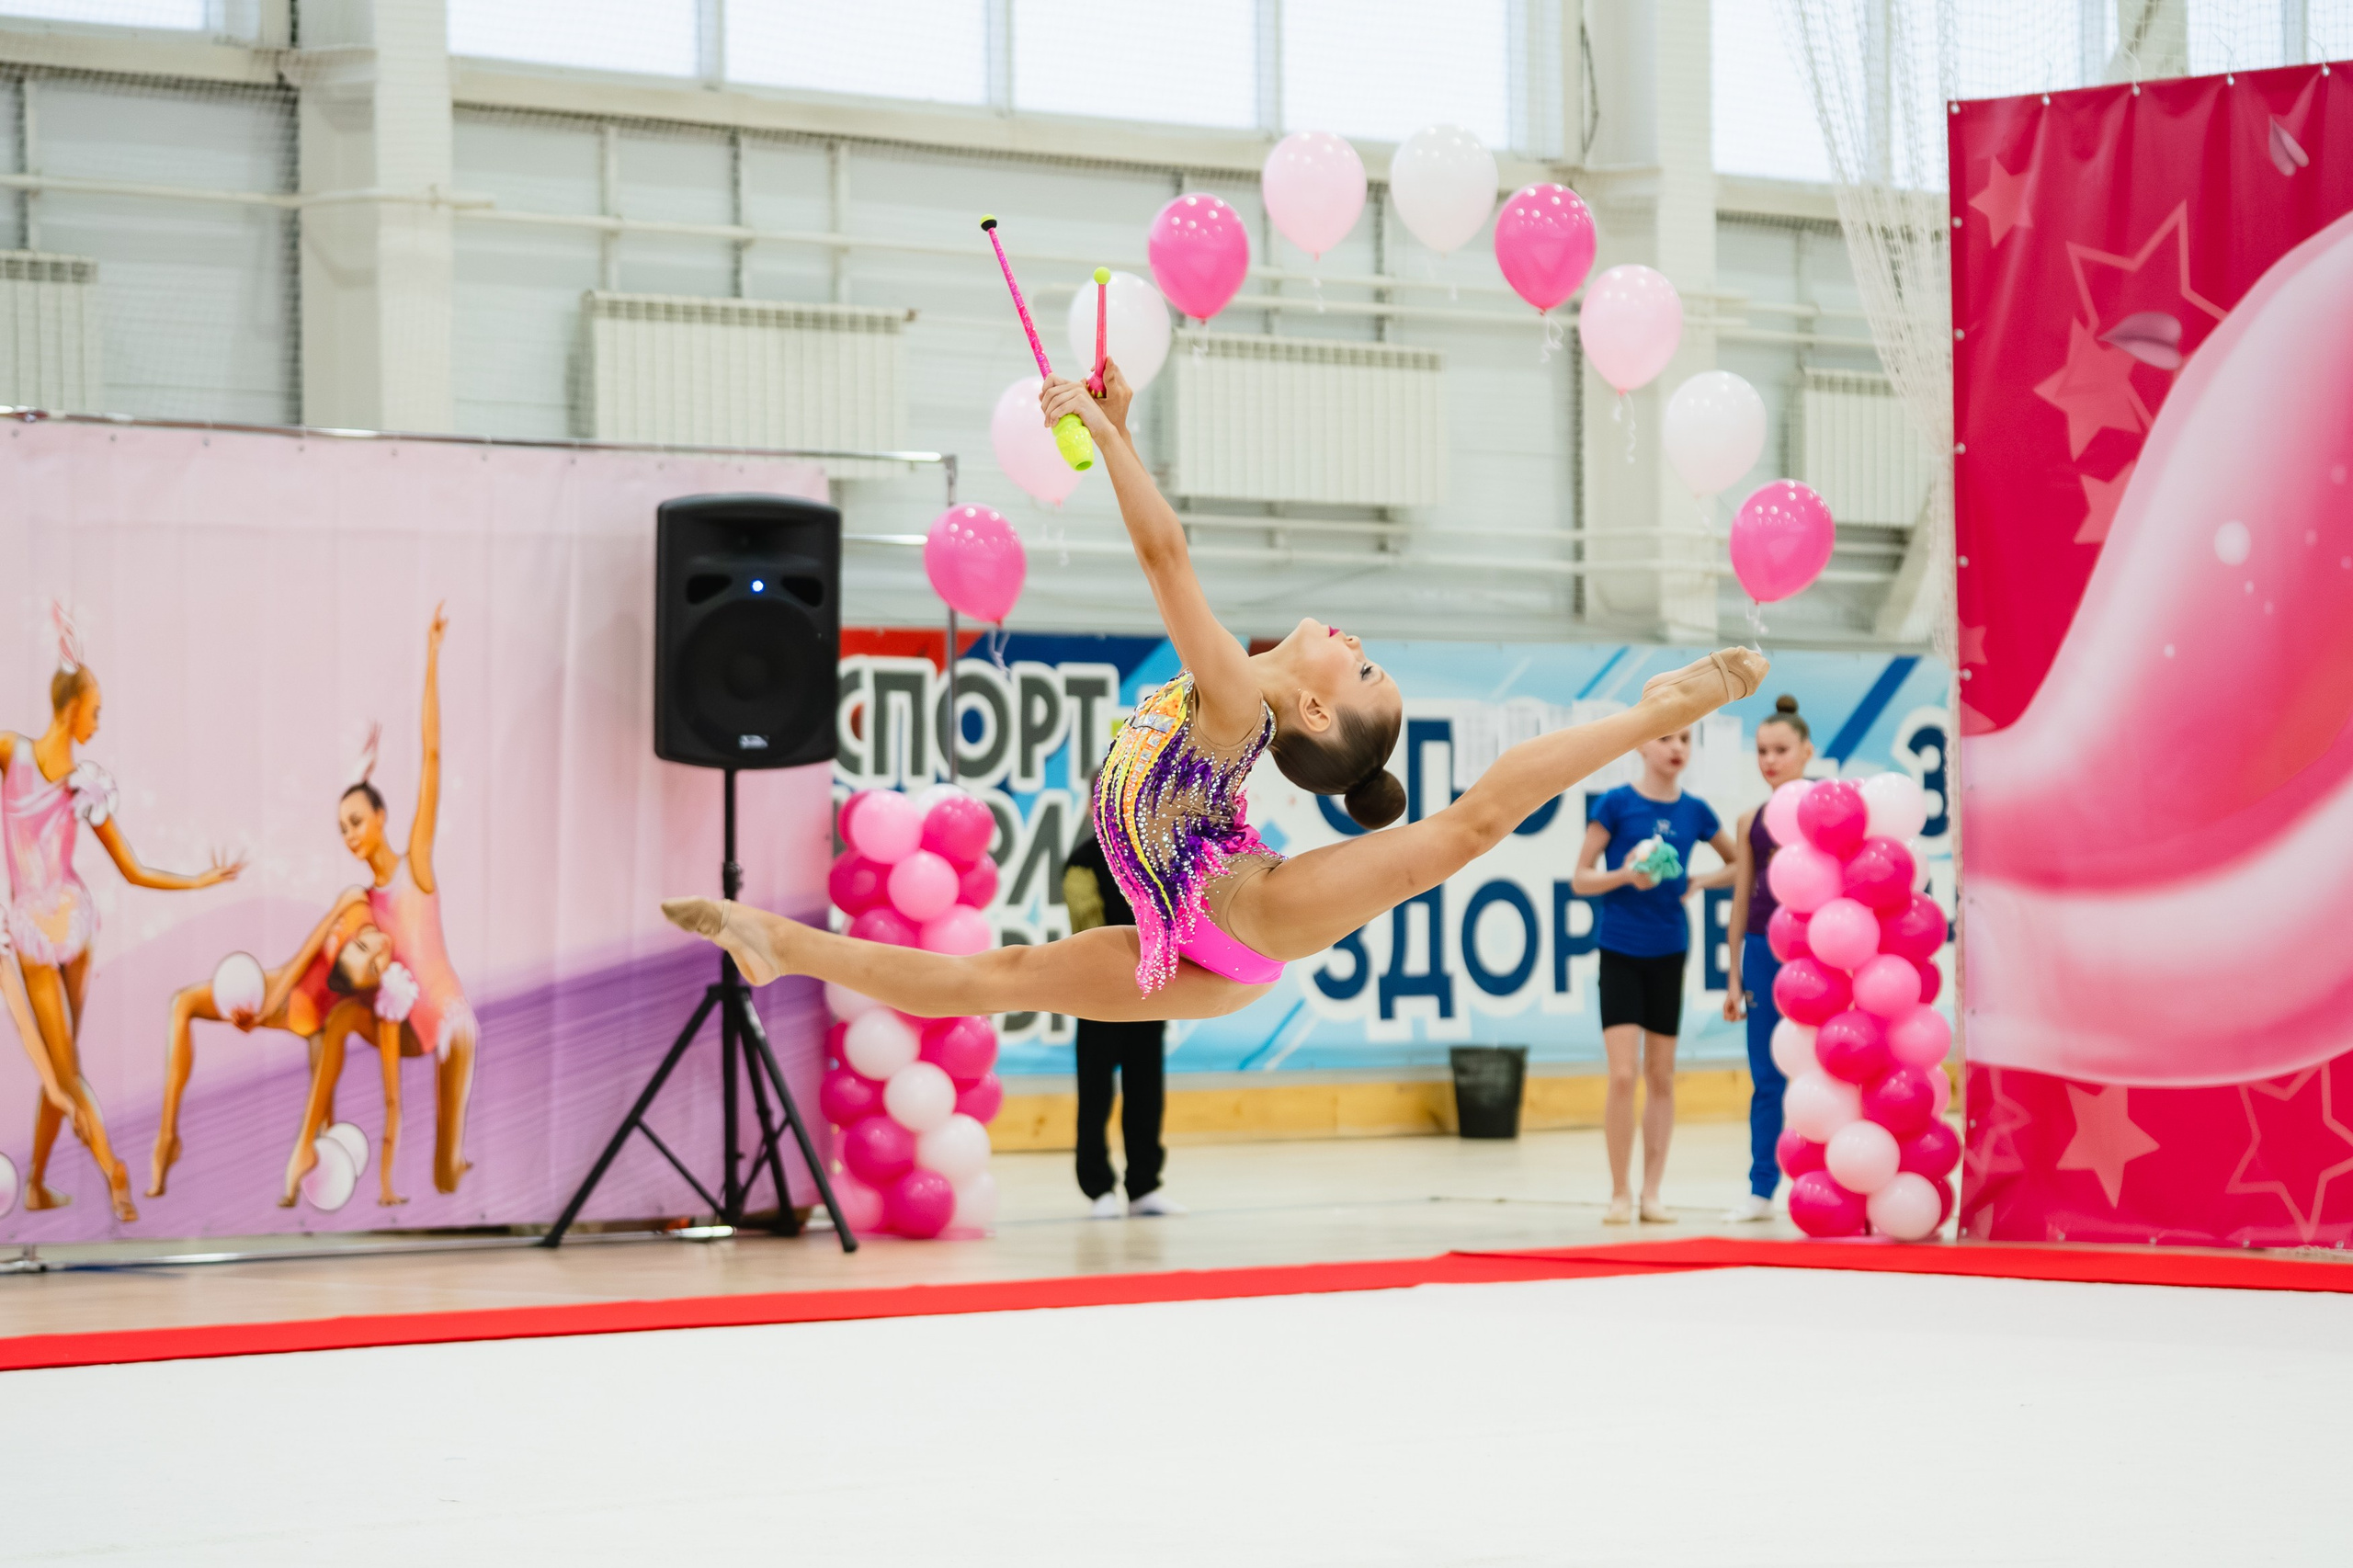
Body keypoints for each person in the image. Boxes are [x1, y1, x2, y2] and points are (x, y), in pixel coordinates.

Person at [663, 362, 1770, 1025]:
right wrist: (1118, 432)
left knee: (1462, 831)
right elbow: (1166, 548)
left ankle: (1654, 708)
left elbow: (1166, 558)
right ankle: (774, 940)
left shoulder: (1236, 701)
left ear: (1318, 713)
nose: (1355, 641)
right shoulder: (1237, 704)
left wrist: (1110, 441)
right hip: (1188, 932)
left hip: (1248, 915)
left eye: (1363, 666)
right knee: (996, 976)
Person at [1, 608, 243, 1221]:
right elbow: (131, 870)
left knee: (64, 1066)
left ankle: (78, 1175)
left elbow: (132, 868)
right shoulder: (20, 755)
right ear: (70, 709)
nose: (99, 720)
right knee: (65, 1064)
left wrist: (198, 879)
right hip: (54, 927)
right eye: (96, 709)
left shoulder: (72, 777)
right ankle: (82, 1175)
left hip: (53, 929)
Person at [149, 888, 417, 1208]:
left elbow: (392, 1098)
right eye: (362, 947)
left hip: (316, 1025)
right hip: (278, 995)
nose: (379, 948)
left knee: (324, 1112)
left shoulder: (391, 983)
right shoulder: (355, 903)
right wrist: (264, 1011)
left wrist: (387, 1186)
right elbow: (304, 956)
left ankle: (312, 1169)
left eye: (374, 965)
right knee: (183, 1003)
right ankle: (167, 1137)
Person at [1572, 724, 1738, 1225]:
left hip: (1669, 949)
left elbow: (1739, 864)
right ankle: (1619, 1192)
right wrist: (1625, 875)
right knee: (1623, 1074)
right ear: (1643, 744)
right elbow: (1581, 878)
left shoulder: (1695, 811)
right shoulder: (1616, 804)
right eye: (1666, 738)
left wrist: (1699, 881)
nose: (1676, 748)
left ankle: (1651, 1193)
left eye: (1685, 739)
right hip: (1620, 949)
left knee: (1661, 1075)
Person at [343, 606, 479, 1194]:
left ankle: (448, 1164)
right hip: (403, 1024)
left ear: (381, 818)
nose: (349, 835)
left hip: (446, 1020)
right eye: (342, 828)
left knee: (445, 1165)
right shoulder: (362, 899)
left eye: (355, 821)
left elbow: (431, 757)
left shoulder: (413, 864)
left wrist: (432, 657)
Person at [1721, 696, 1816, 1222]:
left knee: (1824, 1073)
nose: (1770, 761)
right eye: (1762, 751)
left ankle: (1829, 1180)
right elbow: (1741, 900)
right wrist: (1734, 977)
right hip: (1762, 952)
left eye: (1781, 750)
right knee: (1766, 1077)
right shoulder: (1749, 820)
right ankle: (1761, 1188)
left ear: (1807, 751)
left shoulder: (1827, 810)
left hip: (1818, 956)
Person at [1063, 818, 1180, 1219]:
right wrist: (1118, 972)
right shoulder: (1082, 861)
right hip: (1100, 993)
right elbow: (1087, 925)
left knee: (1147, 1091)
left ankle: (1144, 1185)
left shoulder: (1152, 855)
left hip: (1148, 992)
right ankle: (1098, 1187)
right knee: (1095, 1093)